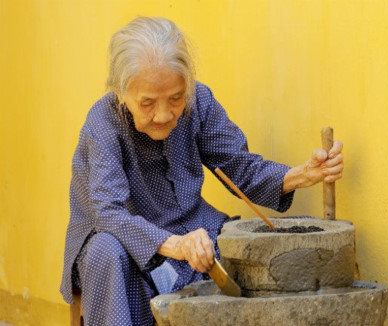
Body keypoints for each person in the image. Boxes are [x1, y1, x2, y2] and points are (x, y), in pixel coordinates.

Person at [60, 16, 344, 325]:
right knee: (107, 250)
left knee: (245, 251)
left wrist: (302, 175)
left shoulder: (200, 101)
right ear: (120, 92)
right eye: (147, 103)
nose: (165, 114)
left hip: (192, 228)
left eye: (176, 97)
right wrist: (176, 246)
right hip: (124, 240)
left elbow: (240, 168)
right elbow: (109, 213)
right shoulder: (103, 123)